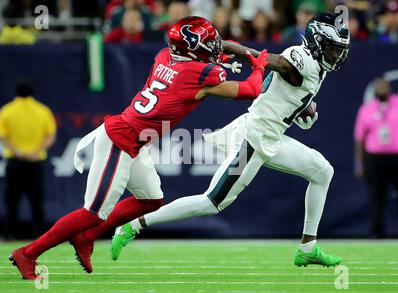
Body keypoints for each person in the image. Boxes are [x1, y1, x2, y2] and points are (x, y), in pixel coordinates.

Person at [9, 16, 269, 280]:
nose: (215, 45)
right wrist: (258, 66)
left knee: (151, 199)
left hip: (135, 140)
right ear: (192, 48)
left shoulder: (164, 56)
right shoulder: (199, 74)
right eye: (209, 42)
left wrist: (220, 58)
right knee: (93, 212)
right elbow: (250, 89)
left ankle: (88, 236)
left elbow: (198, 67)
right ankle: (28, 253)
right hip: (120, 140)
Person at [113, 13, 351, 267]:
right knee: (211, 202)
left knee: (323, 171)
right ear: (316, 42)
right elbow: (267, 61)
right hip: (253, 140)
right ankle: (133, 224)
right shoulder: (301, 59)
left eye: (339, 50)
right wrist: (226, 46)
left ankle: (308, 247)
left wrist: (302, 107)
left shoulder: (313, 65)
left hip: (270, 137)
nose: (336, 56)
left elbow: (280, 85)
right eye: (331, 48)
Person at [354, 78, 398, 238]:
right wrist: (359, 163)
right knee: (376, 195)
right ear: (375, 90)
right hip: (375, 159)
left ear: (390, 88)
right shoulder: (367, 108)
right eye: (379, 86)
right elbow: (359, 138)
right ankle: (377, 231)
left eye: (384, 85)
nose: (382, 88)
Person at [0, 80, 57, 240]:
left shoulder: (7, 110)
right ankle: (41, 235)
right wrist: (37, 151)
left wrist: (17, 151)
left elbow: (0, 134)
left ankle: (8, 233)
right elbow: (50, 135)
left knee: (12, 199)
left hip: (15, 161)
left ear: (16, 92)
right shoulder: (42, 110)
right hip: (35, 161)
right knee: (37, 200)